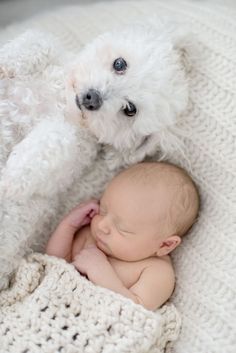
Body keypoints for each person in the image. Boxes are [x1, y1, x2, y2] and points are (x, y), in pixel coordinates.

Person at [46, 162, 199, 310]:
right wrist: (68, 226)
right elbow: (53, 264)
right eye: (103, 210)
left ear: (165, 245)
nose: (102, 225)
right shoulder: (93, 237)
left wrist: (100, 272)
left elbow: (134, 311)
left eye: (122, 228)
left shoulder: (156, 271)